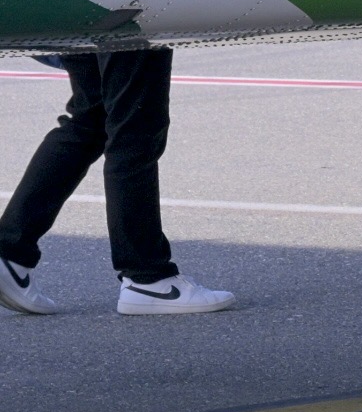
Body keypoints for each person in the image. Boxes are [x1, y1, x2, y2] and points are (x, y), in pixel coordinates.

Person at [0, 40, 233, 316]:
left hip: (84, 16)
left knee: (92, 117)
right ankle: (147, 278)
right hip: (128, 15)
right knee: (134, 124)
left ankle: (10, 251)